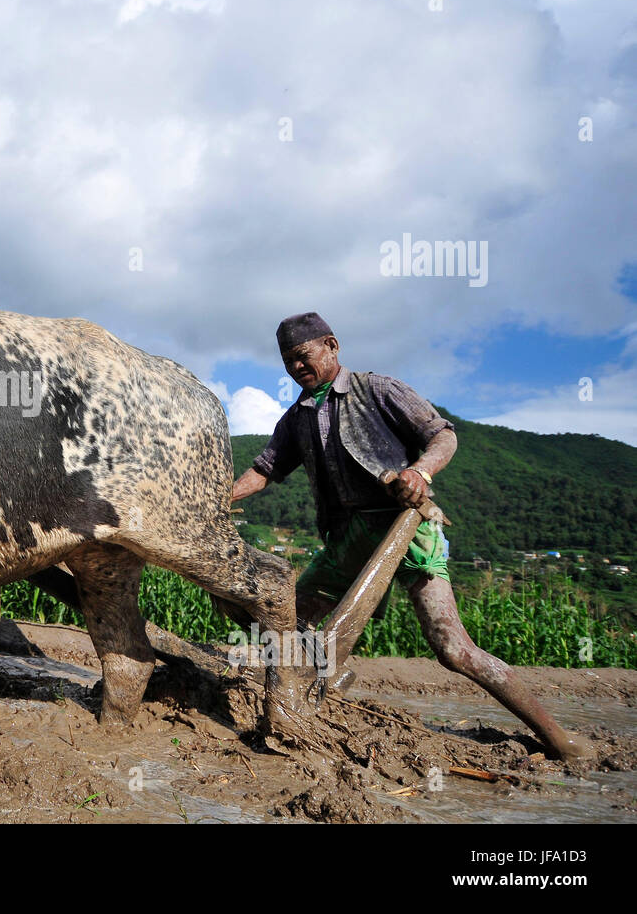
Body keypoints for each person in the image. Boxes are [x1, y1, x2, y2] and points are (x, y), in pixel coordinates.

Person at [231, 312, 592, 761]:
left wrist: (420, 471)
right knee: (287, 617)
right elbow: (265, 469)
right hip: (349, 537)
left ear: (331, 345)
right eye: (288, 362)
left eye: (303, 356)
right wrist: (224, 495)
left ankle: (559, 737)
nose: (296, 368)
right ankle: (328, 685)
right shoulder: (296, 419)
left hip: (407, 528)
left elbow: (442, 436)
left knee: (452, 649)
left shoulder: (379, 390)